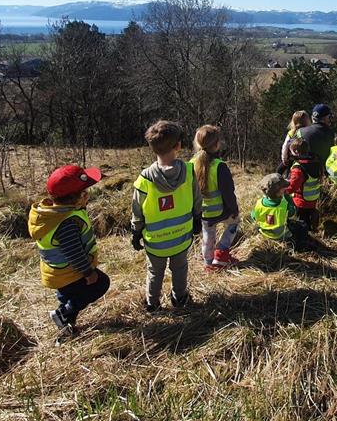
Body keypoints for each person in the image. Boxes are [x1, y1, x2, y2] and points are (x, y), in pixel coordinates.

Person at [28, 164, 110, 332]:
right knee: (101, 283)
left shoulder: (54, 213)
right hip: (71, 271)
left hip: (58, 271)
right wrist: (88, 272)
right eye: (84, 193)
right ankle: (63, 313)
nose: (88, 195)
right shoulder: (66, 223)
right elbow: (74, 252)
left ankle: (65, 325)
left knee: (69, 296)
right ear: (76, 198)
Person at [130, 120, 200, 312]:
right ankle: (180, 299)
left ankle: (152, 304)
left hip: (156, 242)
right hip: (181, 237)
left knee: (155, 272)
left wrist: (136, 232)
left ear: (152, 148)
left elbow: (137, 210)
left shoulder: (144, 179)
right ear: (178, 146)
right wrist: (197, 219)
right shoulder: (188, 171)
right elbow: (196, 198)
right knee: (180, 269)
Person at [192, 124, 240, 272]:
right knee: (235, 223)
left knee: (207, 236)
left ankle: (208, 263)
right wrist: (234, 210)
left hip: (203, 213)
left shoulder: (190, 164)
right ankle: (221, 252)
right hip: (222, 211)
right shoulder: (220, 166)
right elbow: (228, 192)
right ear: (217, 144)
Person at [251, 173, 306, 247]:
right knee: (302, 226)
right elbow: (292, 213)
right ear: (278, 192)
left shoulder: (259, 203)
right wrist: (289, 198)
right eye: (283, 187)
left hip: (265, 233)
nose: (285, 188)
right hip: (281, 235)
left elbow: (254, 216)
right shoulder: (283, 204)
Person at [286, 137, 321, 233]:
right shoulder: (315, 162)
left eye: (291, 151)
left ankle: (305, 237)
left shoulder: (298, 168)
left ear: (296, 152)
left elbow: (293, 186)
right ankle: (313, 229)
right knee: (310, 215)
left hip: (300, 201)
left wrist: (283, 190)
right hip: (313, 198)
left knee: (302, 222)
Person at [298, 103, 337, 170]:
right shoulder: (332, 133)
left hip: (303, 173)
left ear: (313, 117)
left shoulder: (300, 131)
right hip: (326, 171)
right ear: (326, 118)